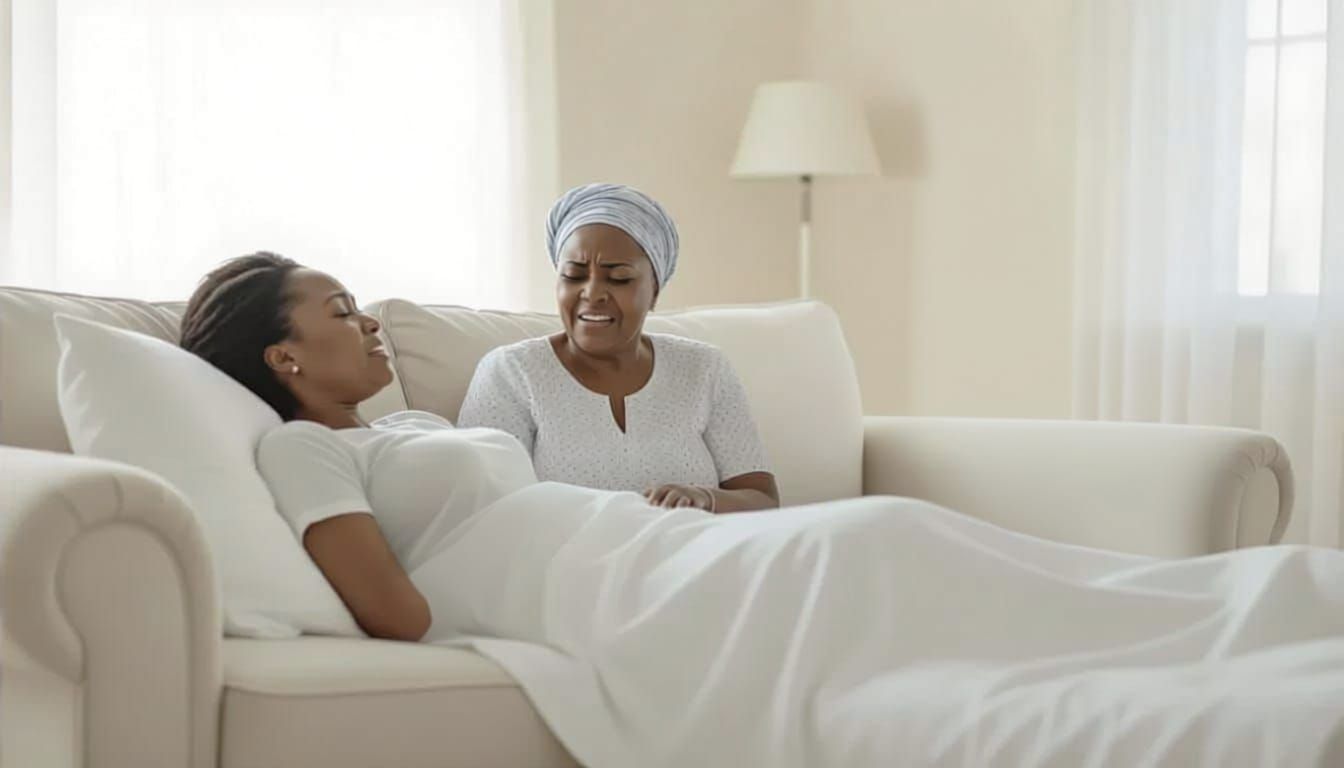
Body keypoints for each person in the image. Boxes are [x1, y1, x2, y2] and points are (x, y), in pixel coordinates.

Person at [181, 252, 1344, 767]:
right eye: (340, 308)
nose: (369, 322)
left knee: (908, 542)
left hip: (674, 550)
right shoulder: (305, 458)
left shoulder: (411, 435)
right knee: (896, 554)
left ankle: (1276, 611)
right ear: (285, 356)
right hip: (648, 591)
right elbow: (396, 613)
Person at [457, 183, 779, 513]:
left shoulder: (704, 368)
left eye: (619, 278)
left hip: (699, 554)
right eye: (573, 275)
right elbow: (483, 512)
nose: (592, 293)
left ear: (654, 290)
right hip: (571, 560)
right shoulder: (511, 372)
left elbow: (763, 502)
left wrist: (704, 499)